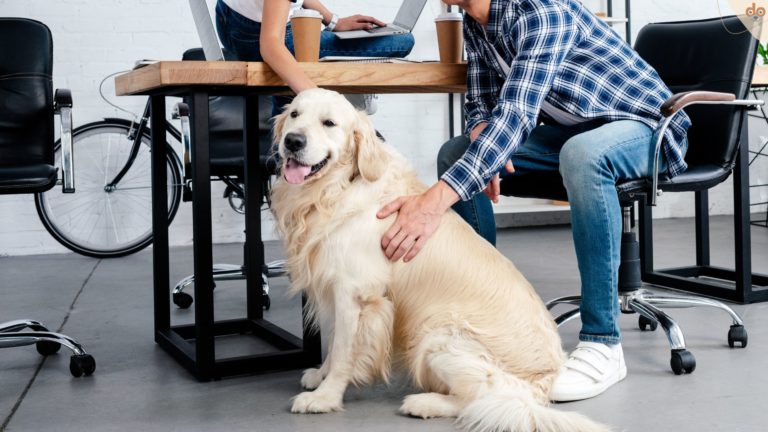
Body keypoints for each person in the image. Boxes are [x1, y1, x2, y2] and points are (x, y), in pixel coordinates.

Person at [376, 0, 690, 402]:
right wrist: (479, 132)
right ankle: (478, 319)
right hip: (574, 133)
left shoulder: (541, 11)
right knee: (457, 152)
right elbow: (483, 102)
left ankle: (603, 343)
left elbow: (518, 114)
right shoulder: (477, 24)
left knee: (584, 155)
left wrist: (431, 203)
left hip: (647, 129)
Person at [215, 0, 415, 95]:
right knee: (402, 41)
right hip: (252, 34)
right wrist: (315, 97)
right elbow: (270, 44)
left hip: (231, 19)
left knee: (288, 87)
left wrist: (333, 21)